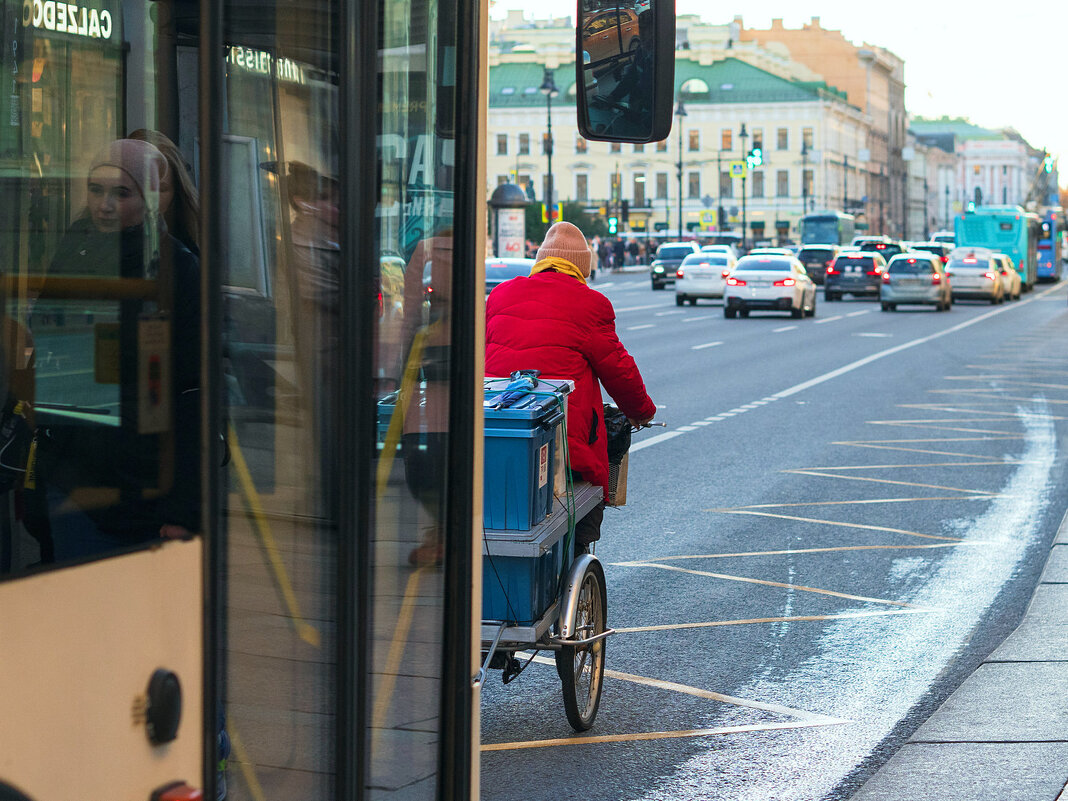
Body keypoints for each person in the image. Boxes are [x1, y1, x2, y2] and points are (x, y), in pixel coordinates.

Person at [31, 138, 200, 558]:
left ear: (150, 199)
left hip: (140, 475)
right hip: (72, 469)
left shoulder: (175, 266)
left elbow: (192, 391)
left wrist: (184, 507)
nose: (104, 205)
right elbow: (44, 331)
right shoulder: (76, 248)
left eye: (121, 193)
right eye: (96, 189)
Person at [485, 221, 656, 552]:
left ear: (541, 259)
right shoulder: (590, 304)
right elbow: (619, 369)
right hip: (565, 448)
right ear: (583, 266)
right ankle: (575, 569)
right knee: (582, 514)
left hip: (499, 437)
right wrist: (642, 412)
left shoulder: (501, 295)